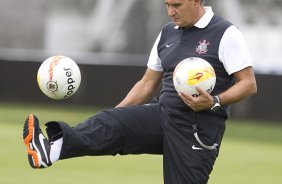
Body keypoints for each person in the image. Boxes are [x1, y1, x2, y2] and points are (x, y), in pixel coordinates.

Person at [23, 0, 257, 183]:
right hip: (162, 115)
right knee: (112, 122)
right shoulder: (167, 32)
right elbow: (147, 83)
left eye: (176, 5)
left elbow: (248, 84)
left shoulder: (225, 33)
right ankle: (50, 150)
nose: (170, 11)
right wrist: (114, 117)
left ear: (196, 1)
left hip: (198, 129)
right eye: (167, 5)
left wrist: (214, 101)